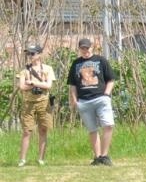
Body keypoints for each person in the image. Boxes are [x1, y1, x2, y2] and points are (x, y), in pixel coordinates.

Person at [66, 37, 116, 165]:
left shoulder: (101, 60)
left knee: (108, 125)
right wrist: (74, 100)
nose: (85, 50)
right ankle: (97, 157)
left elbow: (110, 79)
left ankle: (105, 155)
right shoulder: (76, 63)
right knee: (92, 130)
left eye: (87, 48)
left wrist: (106, 95)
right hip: (84, 101)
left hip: (101, 98)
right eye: (82, 48)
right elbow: (72, 85)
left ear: (91, 47)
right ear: (79, 49)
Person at [16, 43, 55, 166]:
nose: (30, 56)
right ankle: (22, 159)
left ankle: (41, 159)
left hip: (44, 102)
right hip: (28, 103)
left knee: (43, 130)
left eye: (32, 53)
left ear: (39, 54)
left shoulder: (48, 69)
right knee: (27, 131)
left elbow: (48, 85)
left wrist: (33, 82)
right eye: (28, 53)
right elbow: (22, 86)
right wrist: (37, 84)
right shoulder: (24, 70)